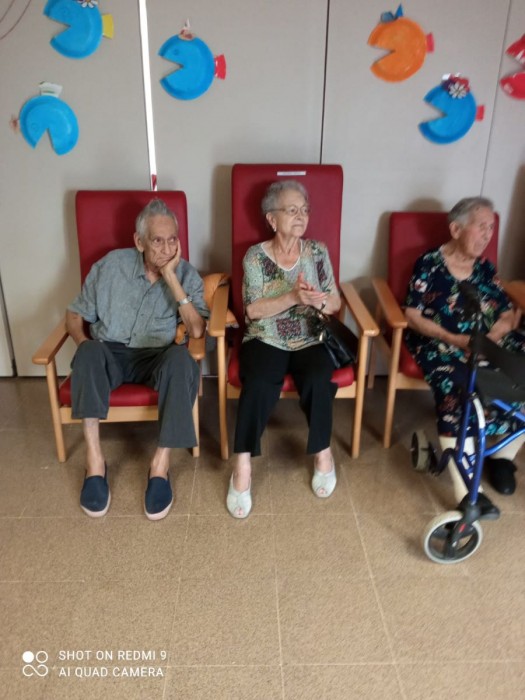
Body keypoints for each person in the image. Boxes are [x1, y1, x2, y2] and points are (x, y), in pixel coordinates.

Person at [66, 198, 208, 520]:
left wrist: (172, 279)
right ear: (139, 241)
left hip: (156, 356)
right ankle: (95, 462)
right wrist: (83, 342)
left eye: (173, 240)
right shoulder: (110, 266)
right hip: (110, 351)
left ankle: (160, 465)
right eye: (157, 241)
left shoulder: (186, 274)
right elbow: (74, 315)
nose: (167, 248)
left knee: (182, 362)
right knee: (88, 351)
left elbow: (198, 330)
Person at [227, 180, 342, 519]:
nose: (301, 216)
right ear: (271, 219)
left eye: (304, 210)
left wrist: (318, 300)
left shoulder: (317, 252)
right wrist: (293, 296)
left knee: (319, 376)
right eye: (292, 210)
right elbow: (251, 310)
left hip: (309, 334)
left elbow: (335, 301)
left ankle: (322, 452)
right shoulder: (255, 256)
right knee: (259, 382)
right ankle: (242, 463)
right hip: (266, 336)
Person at [404, 197, 525, 518]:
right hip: (440, 344)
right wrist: (455, 339)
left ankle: (502, 456)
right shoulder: (429, 264)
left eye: (491, 228)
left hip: (488, 343)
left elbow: (506, 314)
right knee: (458, 393)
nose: (487, 235)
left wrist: (491, 339)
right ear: (456, 229)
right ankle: (467, 490)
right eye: (481, 226)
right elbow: (412, 315)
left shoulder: (486, 269)